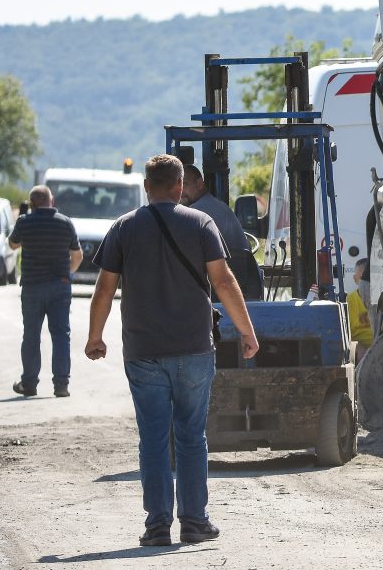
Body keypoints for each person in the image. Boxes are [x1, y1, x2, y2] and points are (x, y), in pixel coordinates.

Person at [85, 154, 260, 547]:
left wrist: (95, 337)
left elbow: (104, 289)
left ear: (146, 187)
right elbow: (225, 282)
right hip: (195, 349)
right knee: (191, 437)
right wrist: (247, 331)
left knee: (152, 438)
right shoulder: (201, 223)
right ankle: (195, 523)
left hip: (143, 350)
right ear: (181, 187)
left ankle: (158, 525)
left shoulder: (124, 228)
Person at [8, 185, 83, 398]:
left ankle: (29, 383)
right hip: (59, 287)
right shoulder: (65, 223)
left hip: (32, 287)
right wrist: (66, 274)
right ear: (52, 201)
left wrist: (24, 219)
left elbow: (12, 245)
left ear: (32, 203)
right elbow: (77, 256)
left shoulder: (24, 222)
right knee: (61, 335)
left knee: (31, 335)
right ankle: (61, 385)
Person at [181, 164, 263, 300]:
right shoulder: (219, 206)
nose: (181, 190)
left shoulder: (195, 213)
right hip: (245, 287)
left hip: (223, 289)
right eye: (179, 185)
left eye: (185, 184)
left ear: (200, 184)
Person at [347, 258, 373, 362]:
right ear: (355, 279)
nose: (366, 283)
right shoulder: (348, 302)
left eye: (369, 278)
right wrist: (357, 347)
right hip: (361, 354)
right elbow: (343, 337)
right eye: (363, 278)